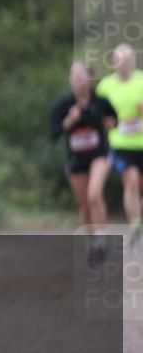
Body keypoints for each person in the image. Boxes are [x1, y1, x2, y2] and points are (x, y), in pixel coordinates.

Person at [49, 62, 117, 264]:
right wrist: (69, 121)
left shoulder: (101, 102)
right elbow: (53, 134)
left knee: (94, 195)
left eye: (81, 75)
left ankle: (102, 240)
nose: (77, 78)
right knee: (85, 206)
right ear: (70, 80)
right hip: (76, 160)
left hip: (99, 156)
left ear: (90, 80)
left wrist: (111, 124)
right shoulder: (63, 105)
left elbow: (114, 120)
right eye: (74, 75)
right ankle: (94, 244)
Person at [96, 44, 143, 242]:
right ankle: (136, 226)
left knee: (138, 185)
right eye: (119, 60)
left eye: (127, 60)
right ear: (113, 63)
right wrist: (107, 122)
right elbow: (96, 113)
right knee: (131, 182)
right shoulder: (105, 86)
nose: (123, 64)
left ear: (133, 61)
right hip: (120, 143)